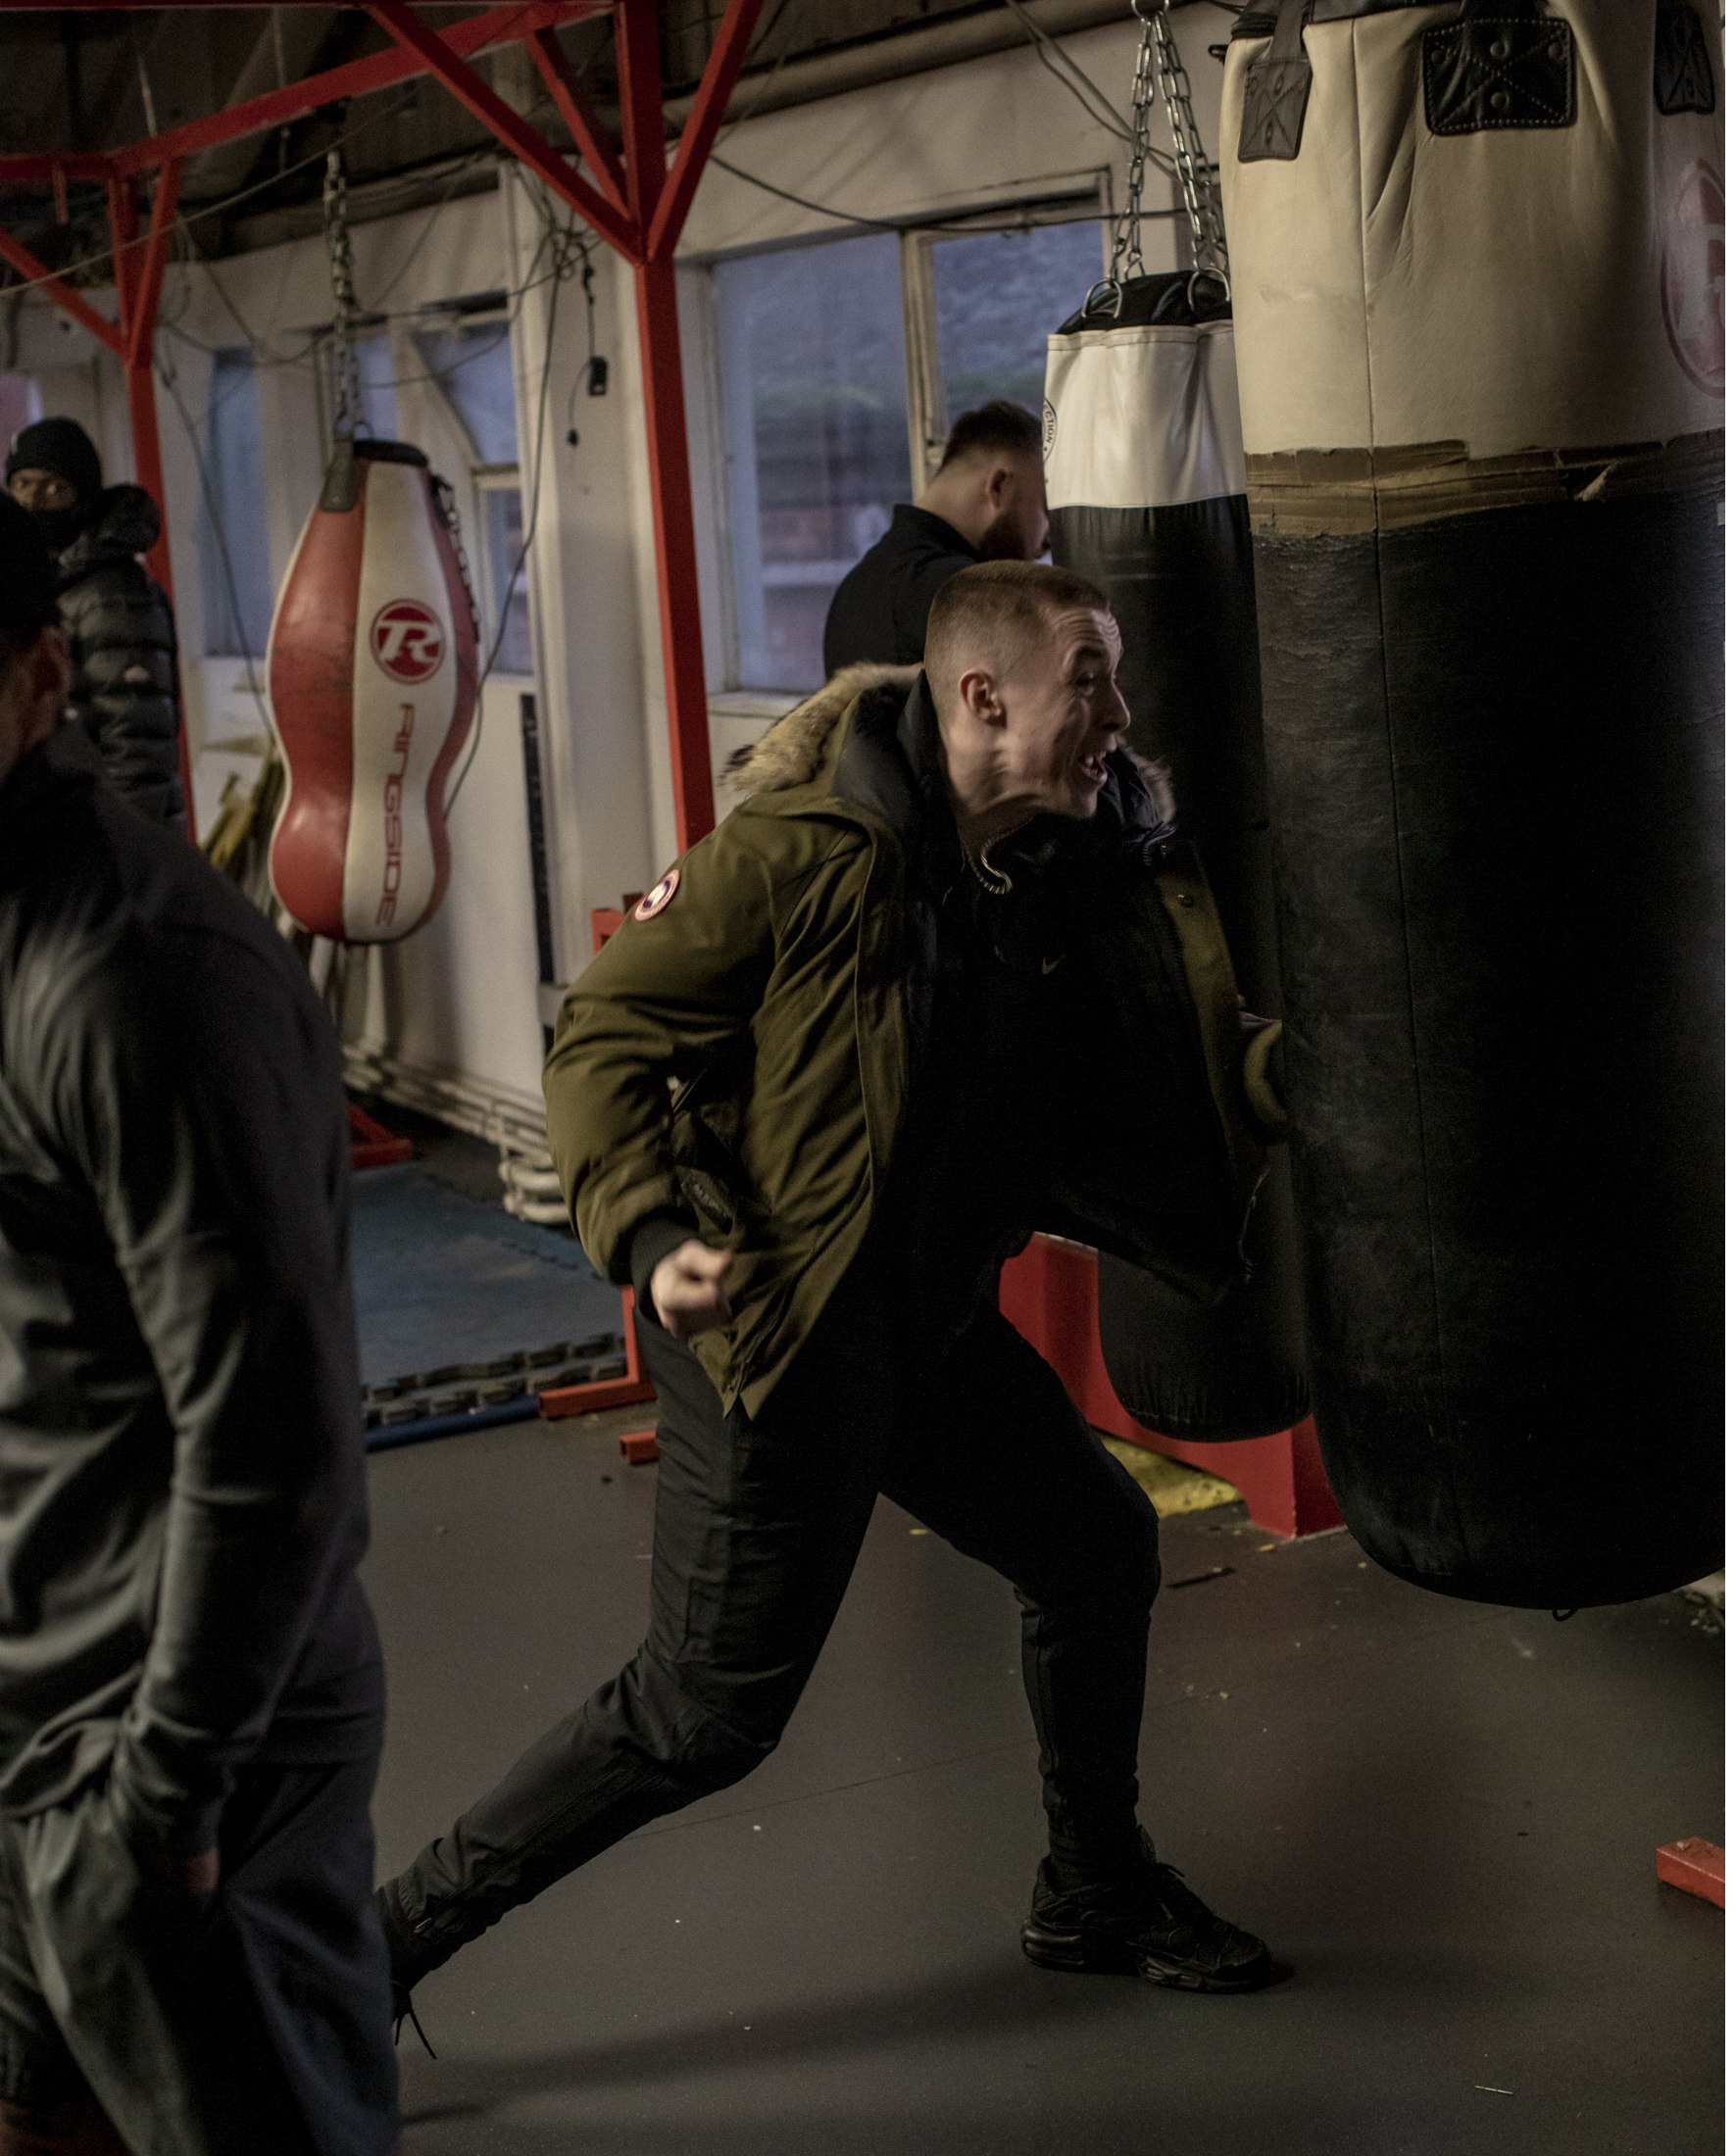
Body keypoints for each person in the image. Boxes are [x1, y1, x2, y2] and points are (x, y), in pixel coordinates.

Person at [379, 562, 1287, 2018]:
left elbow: (1145, 1038)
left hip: (920, 1313)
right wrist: (646, 1230)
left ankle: (1093, 1889)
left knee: (1096, 1551)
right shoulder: (804, 854)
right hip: (771, 1320)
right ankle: (370, 1952)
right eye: (1090, 680)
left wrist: (1261, 1081)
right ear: (983, 698)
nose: (1120, 713)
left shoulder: (1072, 851)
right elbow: (604, 1036)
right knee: (704, 1716)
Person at [0, 496, 396, 2153]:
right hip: (40, 1711)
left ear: (35, 682)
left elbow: (272, 1433)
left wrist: (166, 1790)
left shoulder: (136, 979)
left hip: (171, 1742)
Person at [6, 417, 184, 833]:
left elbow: (136, 747)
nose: (33, 500)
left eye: (54, 487)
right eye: (22, 484)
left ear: (83, 499)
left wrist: (122, 857)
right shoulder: (38, 587)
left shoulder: (115, 595)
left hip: (117, 850)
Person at [820, 400, 1052, 672]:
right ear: (999, 486)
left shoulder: (853, 589)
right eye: (1045, 509)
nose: (1048, 542)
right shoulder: (965, 594)